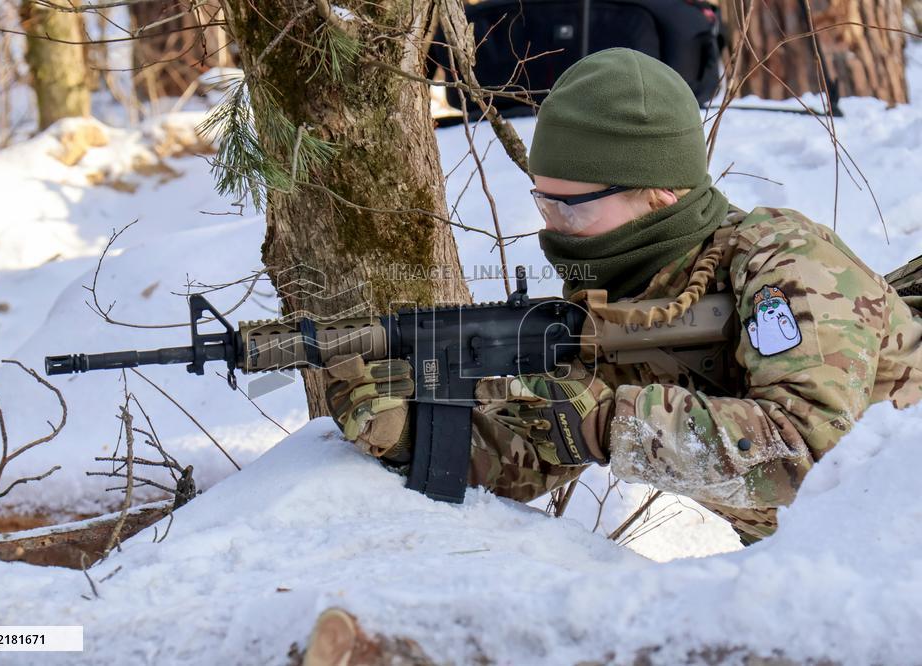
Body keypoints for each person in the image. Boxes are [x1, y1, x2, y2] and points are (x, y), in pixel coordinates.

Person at [322, 48, 922, 545]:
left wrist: (609, 421)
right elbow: (534, 455)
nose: (552, 225)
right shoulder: (624, 294)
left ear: (658, 190)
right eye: (543, 200)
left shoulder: (784, 263)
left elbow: (807, 457)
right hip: (823, 568)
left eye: (572, 204)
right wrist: (410, 430)